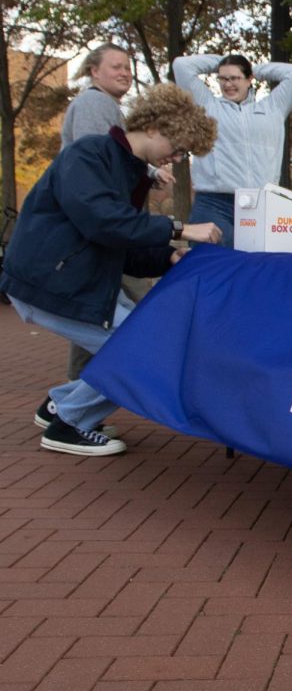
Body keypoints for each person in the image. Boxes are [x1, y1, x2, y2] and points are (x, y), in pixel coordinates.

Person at [0, 83, 221, 457]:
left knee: (143, 343)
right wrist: (179, 228)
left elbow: (118, 240)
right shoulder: (90, 153)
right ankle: (68, 423)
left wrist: (166, 257)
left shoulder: (128, 172)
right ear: (154, 127)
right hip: (48, 283)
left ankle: (59, 403)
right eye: (178, 147)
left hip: (74, 282)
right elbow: (102, 222)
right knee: (142, 352)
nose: (178, 158)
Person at [54, 44, 177, 431]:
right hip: (109, 235)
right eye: (116, 67)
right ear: (94, 72)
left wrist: (149, 175)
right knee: (139, 328)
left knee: (104, 318)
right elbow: (99, 166)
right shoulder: (95, 106)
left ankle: (68, 404)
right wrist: (150, 177)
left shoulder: (109, 108)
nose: (125, 73)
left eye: (128, 67)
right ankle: (73, 411)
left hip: (113, 234)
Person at [173, 53, 292, 247]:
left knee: (256, 272)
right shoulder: (207, 105)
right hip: (214, 204)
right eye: (223, 78)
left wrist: (253, 68)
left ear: (249, 79)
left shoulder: (273, 107)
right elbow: (181, 65)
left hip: (261, 206)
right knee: (212, 270)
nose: (228, 84)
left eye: (234, 78)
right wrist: (223, 62)